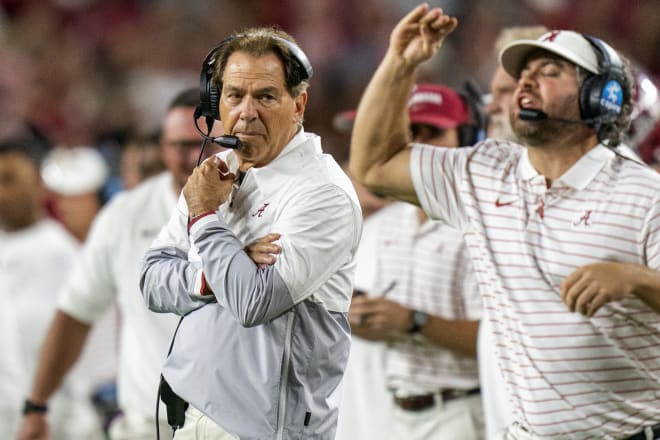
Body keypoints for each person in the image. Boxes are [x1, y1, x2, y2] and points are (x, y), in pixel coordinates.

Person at [349, 5, 660, 439]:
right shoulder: (484, 171)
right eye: (523, 71)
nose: (526, 81)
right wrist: (400, 64)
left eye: (550, 70)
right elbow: (375, 166)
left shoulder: (645, 194)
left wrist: (636, 280)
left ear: (601, 95)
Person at [140, 28, 362, 440]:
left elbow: (254, 300)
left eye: (265, 96)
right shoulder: (219, 170)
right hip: (190, 415)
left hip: (264, 430)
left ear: (299, 105)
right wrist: (211, 276)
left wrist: (205, 217)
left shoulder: (322, 192)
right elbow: (151, 280)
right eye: (234, 95)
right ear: (215, 102)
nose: (246, 111)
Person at [17, 88, 215, 440]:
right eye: (180, 145)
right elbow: (75, 313)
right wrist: (37, 404)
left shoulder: (258, 209)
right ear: (164, 146)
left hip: (235, 425)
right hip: (148, 423)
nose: (194, 156)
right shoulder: (124, 216)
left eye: (205, 143)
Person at [346, 83, 484, 440]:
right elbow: (382, 324)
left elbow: (495, 339)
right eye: (411, 132)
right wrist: (362, 318)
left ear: (468, 137)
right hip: (396, 411)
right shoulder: (383, 223)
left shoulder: (480, 226)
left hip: (461, 408)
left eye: (433, 131)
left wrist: (413, 321)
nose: (420, 144)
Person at [1, 137, 103, 439]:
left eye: (10, 180)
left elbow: (84, 360)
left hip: (57, 427)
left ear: (39, 186)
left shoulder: (66, 257)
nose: (2, 193)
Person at [480, 25, 548, 440]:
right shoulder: (490, 178)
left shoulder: (618, 182)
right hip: (505, 412)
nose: (492, 107)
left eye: (506, 92)